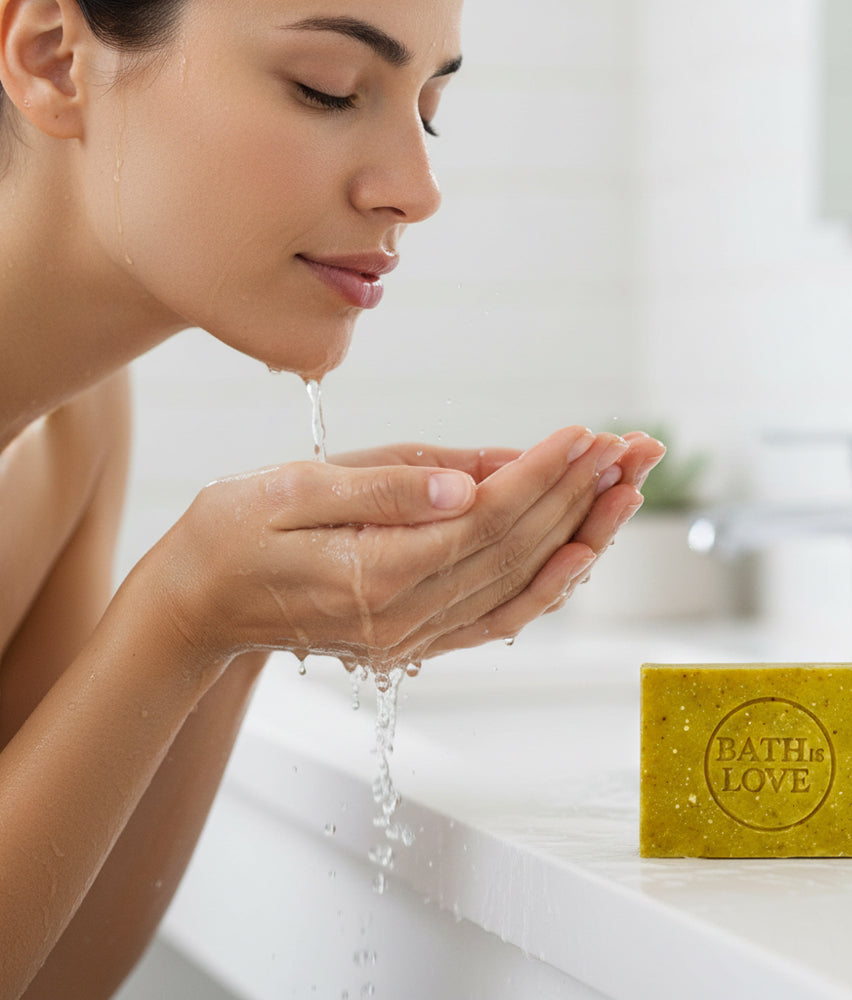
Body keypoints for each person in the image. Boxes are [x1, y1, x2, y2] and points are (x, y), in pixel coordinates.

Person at [0, 0, 665, 996]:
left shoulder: (75, 422)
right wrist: (177, 607)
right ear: (55, 59)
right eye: (329, 88)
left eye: (428, 108)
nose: (417, 188)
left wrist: (242, 622)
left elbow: (52, 974)